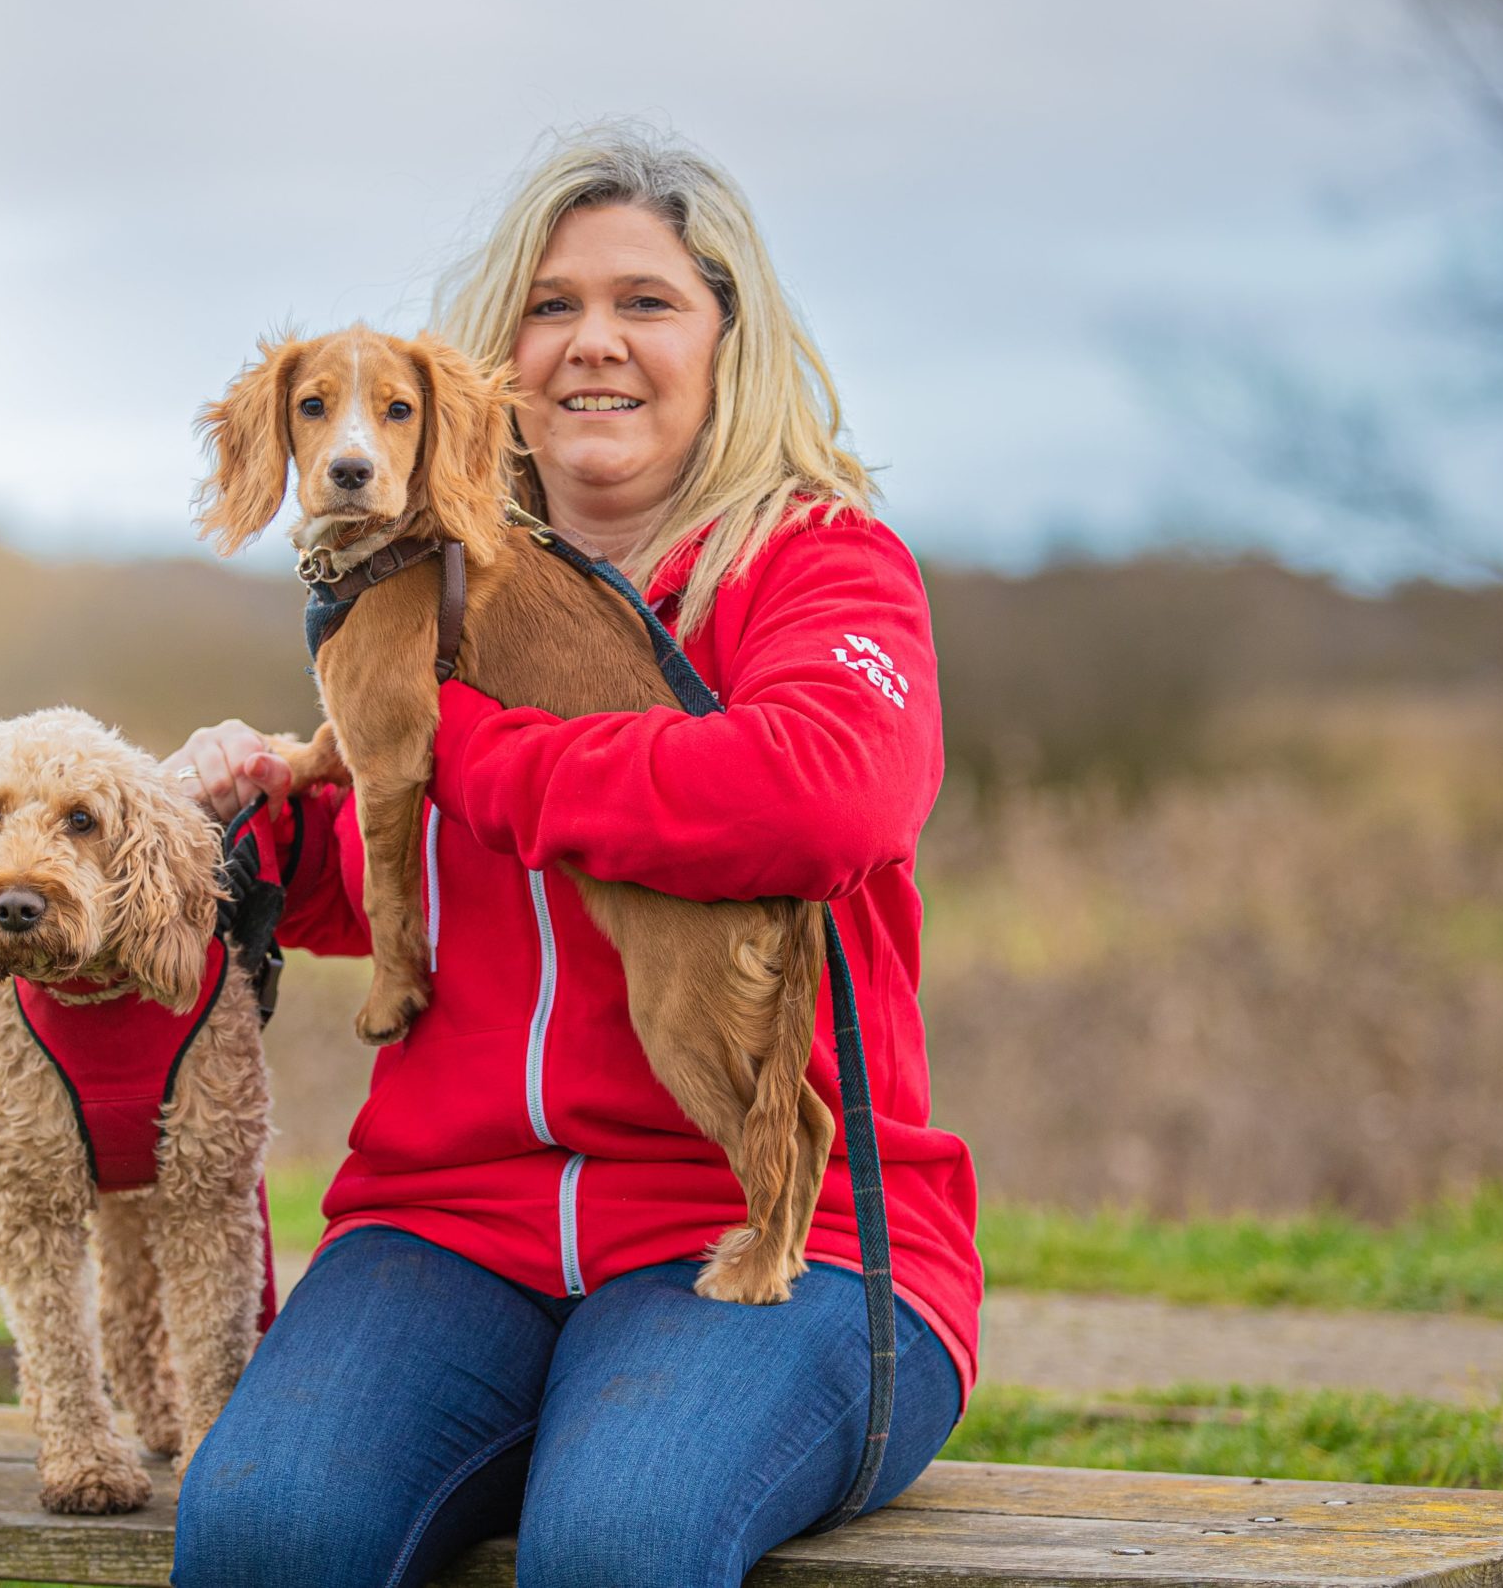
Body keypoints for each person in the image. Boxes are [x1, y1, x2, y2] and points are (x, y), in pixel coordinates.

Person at [165, 124, 980, 1588]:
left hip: (783, 1232)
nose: (592, 343)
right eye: (552, 306)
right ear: (497, 362)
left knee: (622, 1540)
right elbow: (388, 873)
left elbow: (816, 802)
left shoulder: (822, 562)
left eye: (646, 302)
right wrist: (248, 828)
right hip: (449, 1225)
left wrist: (455, 749)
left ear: (731, 337)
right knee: (263, 1530)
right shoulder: (420, 589)